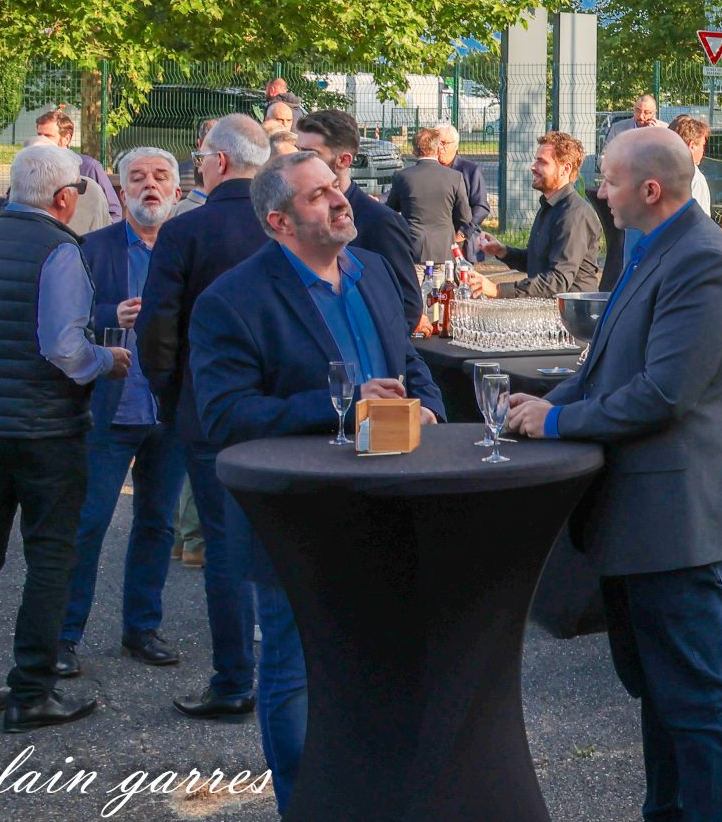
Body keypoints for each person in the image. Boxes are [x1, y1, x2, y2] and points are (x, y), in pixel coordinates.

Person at [505, 127, 722, 822]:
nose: (599, 191)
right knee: (661, 692)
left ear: (650, 189)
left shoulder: (701, 259)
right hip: (646, 518)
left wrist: (556, 422)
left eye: (609, 180)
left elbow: (664, 393)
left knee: (694, 700)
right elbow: (603, 368)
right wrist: (542, 404)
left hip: (678, 521)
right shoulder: (652, 247)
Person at [185, 152, 444, 812]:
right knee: (295, 672)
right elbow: (225, 416)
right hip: (298, 517)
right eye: (317, 195)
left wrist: (433, 411)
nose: (338, 199)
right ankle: (305, 806)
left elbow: (407, 359)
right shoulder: (232, 300)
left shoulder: (372, 269)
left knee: (386, 666)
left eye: (335, 186)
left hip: (391, 501)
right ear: (279, 221)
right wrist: (343, 408)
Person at [0, 145, 131, 732]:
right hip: (46, 425)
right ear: (64, 196)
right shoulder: (60, 250)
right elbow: (64, 348)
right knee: (50, 554)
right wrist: (107, 360)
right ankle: (32, 690)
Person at [136, 112, 272, 724]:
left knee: (225, 544)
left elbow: (158, 326)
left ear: (218, 162)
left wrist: (169, 396)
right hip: (283, 406)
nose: (198, 166)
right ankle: (296, 670)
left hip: (209, 408)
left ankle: (235, 678)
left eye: (199, 158)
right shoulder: (284, 223)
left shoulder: (186, 230)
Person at [58, 148, 187, 682]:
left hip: (170, 411)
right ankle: (64, 636)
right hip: (111, 409)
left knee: (157, 524)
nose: (149, 185)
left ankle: (142, 628)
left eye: (160, 177)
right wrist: (112, 313)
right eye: (137, 178)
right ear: (120, 189)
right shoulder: (92, 248)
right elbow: (64, 318)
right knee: (87, 525)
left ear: (177, 190)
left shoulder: (189, 247)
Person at [292, 109, 420, 323]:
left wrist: (364, 340)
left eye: (309, 154)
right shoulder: (295, 214)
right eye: (298, 151)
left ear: (343, 160)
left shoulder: (379, 222)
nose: (298, 161)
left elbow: (408, 305)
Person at [469, 132, 603, 298]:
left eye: (542, 162)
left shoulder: (574, 214)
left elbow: (558, 281)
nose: (533, 167)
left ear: (565, 169)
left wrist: (497, 290)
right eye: (535, 160)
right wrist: (502, 251)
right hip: (551, 308)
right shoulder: (550, 206)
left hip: (571, 312)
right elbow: (538, 262)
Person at [384, 126, 473, 264]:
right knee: (444, 278)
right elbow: (465, 217)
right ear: (438, 149)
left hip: (413, 249)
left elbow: (390, 210)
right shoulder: (455, 177)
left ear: (414, 151)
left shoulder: (402, 177)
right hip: (444, 251)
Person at [32, 107, 122, 234]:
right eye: (39, 135)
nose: (41, 141)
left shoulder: (88, 167)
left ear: (66, 139)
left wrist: (101, 239)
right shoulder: (30, 168)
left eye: (48, 136)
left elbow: (114, 212)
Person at [437, 122, 491, 235]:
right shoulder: (428, 170)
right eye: (436, 143)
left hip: (461, 233)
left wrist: (464, 232)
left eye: (444, 143)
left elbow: (481, 207)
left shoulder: (470, 170)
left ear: (455, 146)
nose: (439, 147)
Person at [669, 113, 714, 218]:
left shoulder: (654, 170)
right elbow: (700, 224)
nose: (703, 151)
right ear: (692, 145)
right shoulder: (695, 178)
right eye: (703, 145)